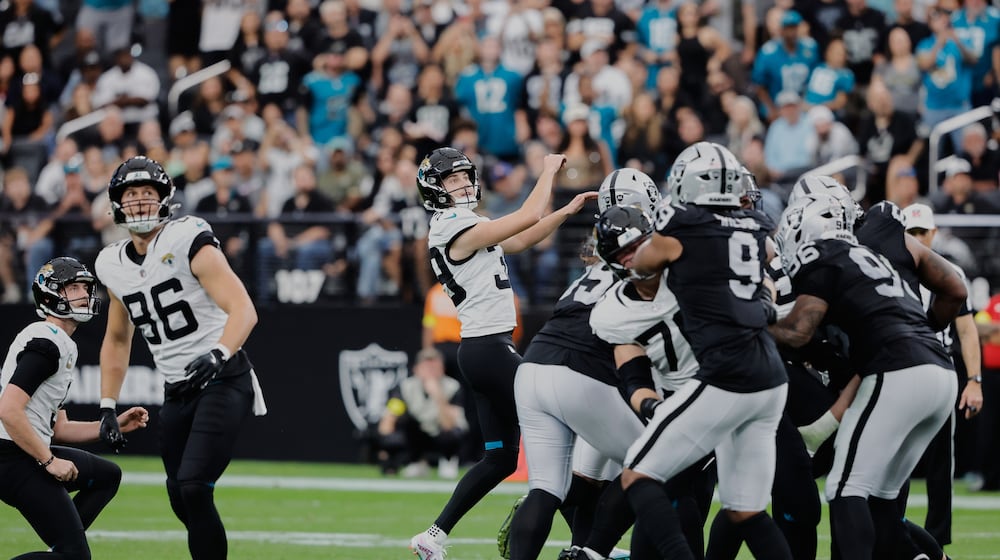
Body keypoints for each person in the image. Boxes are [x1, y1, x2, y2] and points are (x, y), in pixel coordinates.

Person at [409, 147, 594, 560]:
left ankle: (434, 535)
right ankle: (588, 544)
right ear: (433, 190)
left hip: (481, 350)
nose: (462, 184)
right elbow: (525, 216)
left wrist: (565, 210)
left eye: (463, 177)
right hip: (488, 349)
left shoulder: (463, 225)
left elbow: (524, 237)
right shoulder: (451, 224)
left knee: (501, 459)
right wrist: (547, 171)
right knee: (560, 433)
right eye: (451, 180)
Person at [770, 192, 967, 559]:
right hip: (940, 370)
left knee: (845, 489)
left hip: (897, 371)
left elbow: (798, 331)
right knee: (881, 505)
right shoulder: (875, 254)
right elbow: (956, 287)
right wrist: (919, 334)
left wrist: (750, 324)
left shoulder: (821, 254)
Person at [93, 156, 267, 560]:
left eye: (147, 194)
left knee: (192, 485)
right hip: (177, 389)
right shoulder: (111, 263)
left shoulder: (187, 237)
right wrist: (106, 405)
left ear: (164, 200)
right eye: (130, 195)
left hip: (224, 377)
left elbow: (243, 308)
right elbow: (118, 338)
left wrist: (219, 353)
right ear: (117, 203)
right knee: (179, 493)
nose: (138, 203)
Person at [626, 141, 792, 559]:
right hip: (770, 377)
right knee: (746, 510)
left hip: (727, 374)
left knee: (638, 475)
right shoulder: (755, 224)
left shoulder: (681, 223)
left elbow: (643, 262)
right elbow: (767, 272)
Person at [507, 172, 661, 560]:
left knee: (547, 487)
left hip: (533, 364)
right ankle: (591, 551)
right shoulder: (646, 260)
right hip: (582, 373)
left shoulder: (595, 262)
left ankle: (582, 547)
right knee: (656, 461)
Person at [0, 257, 148, 559]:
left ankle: (64, 546)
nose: (84, 294)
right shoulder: (47, 343)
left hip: (22, 450)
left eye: (85, 287)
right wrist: (49, 461)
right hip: (10, 456)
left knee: (107, 476)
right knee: (75, 557)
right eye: (73, 287)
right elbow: (8, 410)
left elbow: (59, 429)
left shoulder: (59, 342)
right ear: (50, 294)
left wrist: (111, 424)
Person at [903, 202, 983, 547]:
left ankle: (937, 542)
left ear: (934, 233)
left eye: (923, 232)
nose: (919, 238)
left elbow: (967, 331)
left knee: (939, 464)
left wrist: (974, 381)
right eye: (913, 232)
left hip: (939, 368)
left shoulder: (950, 272)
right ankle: (891, 532)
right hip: (901, 370)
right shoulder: (892, 269)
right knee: (893, 460)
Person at [378, 348, 468, 479]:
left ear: (442, 369)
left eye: (435, 368)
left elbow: (449, 425)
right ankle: (415, 461)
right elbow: (387, 422)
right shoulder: (405, 387)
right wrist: (386, 447)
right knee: (399, 430)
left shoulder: (453, 387)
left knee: (454, 434)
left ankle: (448, 461)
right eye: (427, 368)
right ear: (417, 369)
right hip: (416, 435)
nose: (431, 372)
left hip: (441, 433)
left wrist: (438, 396)